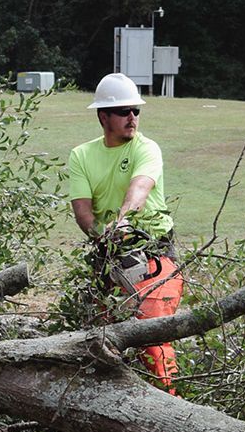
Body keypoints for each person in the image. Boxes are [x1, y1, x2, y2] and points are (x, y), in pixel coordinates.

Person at [68, 73, 183, 394]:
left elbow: (139, 189)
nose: (132, 117)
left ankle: (169, 406)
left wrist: (122, 221)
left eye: (136, 110)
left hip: (153, 254)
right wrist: (101, 234)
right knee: (101, 340)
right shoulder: (81, 155)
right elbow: (82, 212)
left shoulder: (147, 148)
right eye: (123, 111)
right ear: (103, 116)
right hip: (107, 257)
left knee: (151, 334)